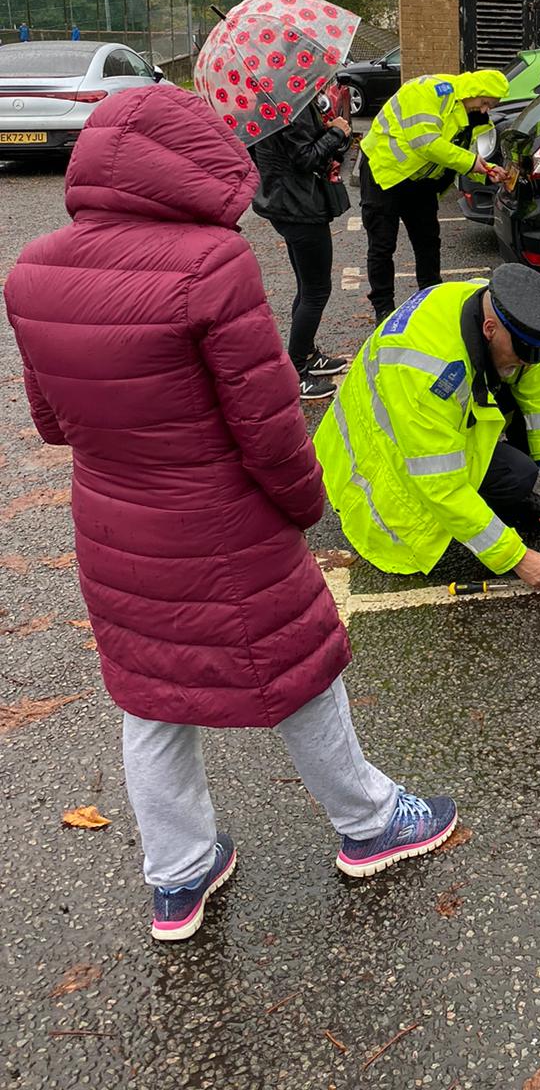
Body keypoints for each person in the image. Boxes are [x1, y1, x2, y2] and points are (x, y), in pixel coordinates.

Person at [3, 85, 456, 943]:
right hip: (223, 521)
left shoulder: (33, 270)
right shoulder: (212, 263)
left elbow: (53, 425)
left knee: (151, 696)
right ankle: (370, 824)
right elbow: (268, 425)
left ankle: (178, 876)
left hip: (112, 523)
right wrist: (305, 504)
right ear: (193, 160)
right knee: (298, 669)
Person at [316, 263, 540, 591]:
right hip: (383, 471)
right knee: (516, 476)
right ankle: (493, 507)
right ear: (489, 329)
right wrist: (516, 557)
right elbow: (441, 484)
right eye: (521, 353)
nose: (526, 362)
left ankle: (497, 501)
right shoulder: (425, 371)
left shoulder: (492, 302)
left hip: (430, 426)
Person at [359, 69, 509, 322]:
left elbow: (461, 155)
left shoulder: (472, 114)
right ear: (473, 91)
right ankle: (384, 309)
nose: (485, 110)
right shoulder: (427, 92)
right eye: (485, 102)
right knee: (382, 245)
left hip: (421, 180)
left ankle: (430, 299)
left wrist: (487, 171)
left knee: (428, 242)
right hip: (384, 172)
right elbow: (426, 142)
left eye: (491, 106)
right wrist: (471, 162)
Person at [251, 97, 353, 401]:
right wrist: (336, 132)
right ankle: (296, 372)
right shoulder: (289, 105)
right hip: (299, 207)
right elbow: (306, 158)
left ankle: (307, 355)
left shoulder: (271, 100)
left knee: (307, 287)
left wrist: (328, 129)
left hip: (285, 202)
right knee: (316, 291)